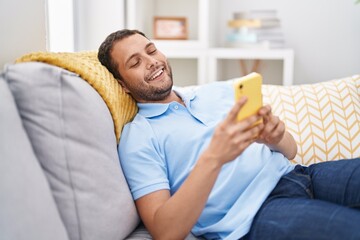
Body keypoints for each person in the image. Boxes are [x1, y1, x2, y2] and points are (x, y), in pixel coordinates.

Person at [98, 29, 360, 240]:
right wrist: (213, 157)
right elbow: (165, 232)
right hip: (256, 214)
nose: (152, 61)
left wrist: (276, 137)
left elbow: (290, 151)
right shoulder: (138, 136)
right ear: (123, 86)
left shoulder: (217, 92)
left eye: (151, 50)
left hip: (301, 174)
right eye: (136, 62)